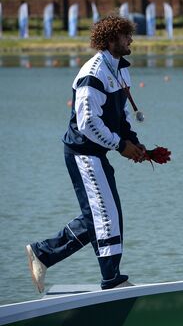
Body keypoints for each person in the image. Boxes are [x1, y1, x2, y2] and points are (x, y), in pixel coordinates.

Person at [25, 15, 146, 292]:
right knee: (106, 215)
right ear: (110, 39)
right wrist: (119, 145)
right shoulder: (93, 73)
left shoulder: (120, 69)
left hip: (96, 153)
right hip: (82, 153)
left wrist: (134, 143)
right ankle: (112, 280)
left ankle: (43, 253)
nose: (131, 40)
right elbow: (87, 123)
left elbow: (121, 117)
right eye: (126, 35)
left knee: (97, 217)